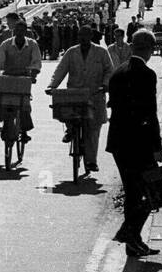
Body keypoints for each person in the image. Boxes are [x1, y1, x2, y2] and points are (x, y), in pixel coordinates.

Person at [106, 28, 162, 257]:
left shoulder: (118, 72)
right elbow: (150, 113)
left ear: (132, 46)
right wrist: (157, 147)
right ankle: (128, 233)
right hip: (138, 143)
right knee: (150, 190)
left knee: (133, 191)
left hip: (119, 142)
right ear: (150, 49)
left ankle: (133, 240)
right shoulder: (147, 74)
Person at [47, 25, 115, 175]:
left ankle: (91, 161)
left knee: (93, 129)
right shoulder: (71, 52)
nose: (83, 38)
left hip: (95, 95)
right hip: (75, 94)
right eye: (80, 36)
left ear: (91, 36)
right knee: (67, 113)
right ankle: (70, 130)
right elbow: (61, 70)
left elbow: (110, 70)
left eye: (86, 35)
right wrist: (52, 86)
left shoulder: (101, 52)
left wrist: (105, 85)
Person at [0, 19, 43, 146]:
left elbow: (36, 62)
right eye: (17, 30)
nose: (19, 33)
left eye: (22, 30)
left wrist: (33, 75)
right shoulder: (6, 44)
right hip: (8, 76)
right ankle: (6, 124)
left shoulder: (32, 44)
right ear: (13, 31)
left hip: (24, 78)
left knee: (24, 104)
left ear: (26, 31)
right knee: (2, 102)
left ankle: (24, 131)